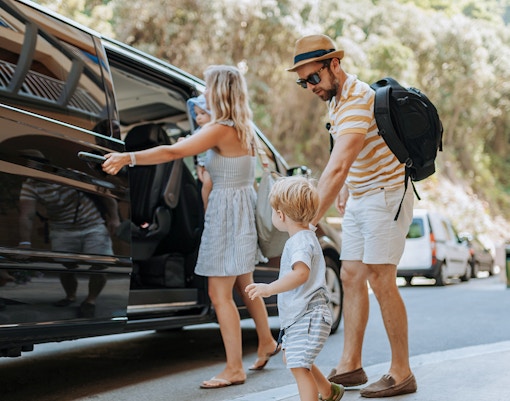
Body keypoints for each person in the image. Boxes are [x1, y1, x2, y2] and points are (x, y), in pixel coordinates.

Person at [102, 65, 279, 388]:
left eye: (209, 87)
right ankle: (266, 341)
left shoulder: (219, 129)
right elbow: (216, 172)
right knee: (245, 284)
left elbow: (172, 151)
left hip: (226, 214)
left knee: (218, 292)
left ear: (220, 92)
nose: (205, 93)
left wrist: (128, 158)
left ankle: (234, 368)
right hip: (240, 209)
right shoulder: (242, 128)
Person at [287, 34, 417, 398]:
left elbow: (337, 164)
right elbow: (351, 154)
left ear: (334, 65)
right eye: (303, 82)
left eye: (313, 77)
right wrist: (347, 189)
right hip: (362, 196)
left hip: (386, 196)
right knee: (351, 274)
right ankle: (350, 365)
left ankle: (401, 371)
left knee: (380, 277)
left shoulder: (358, 98)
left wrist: (308, 222)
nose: (309, 86)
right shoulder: (337, 100)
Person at [246, 176, 345, 401]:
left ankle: (321, 394)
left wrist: (269, 288)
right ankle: (329, 391)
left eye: (273, 210)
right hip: (303, 316)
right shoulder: (306, 233)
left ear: (280, 215)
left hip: (308, 316)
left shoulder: (299, 241)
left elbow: (301, 273)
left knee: (298, 366)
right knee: (296, 360)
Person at [18, 150, 119, 318]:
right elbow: (26, 215)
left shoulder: (70, 175)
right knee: (66, 266)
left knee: (100, 264)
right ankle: (70, 296)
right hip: (61, 228)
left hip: (92, 224)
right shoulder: (30, 185)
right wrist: (25, 243)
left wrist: (115, 218)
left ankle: (90, 300)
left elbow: (105, 195)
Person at [187, 94, 213, 210]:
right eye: (196, 114)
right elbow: (191, 141)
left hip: (213, 165)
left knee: (208, 182)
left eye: (203, 113)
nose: (198, 118)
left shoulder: (214, 130)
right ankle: (206, 207)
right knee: (206, 183)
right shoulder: (199, 132)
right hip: (203, 165)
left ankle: (207, 206)